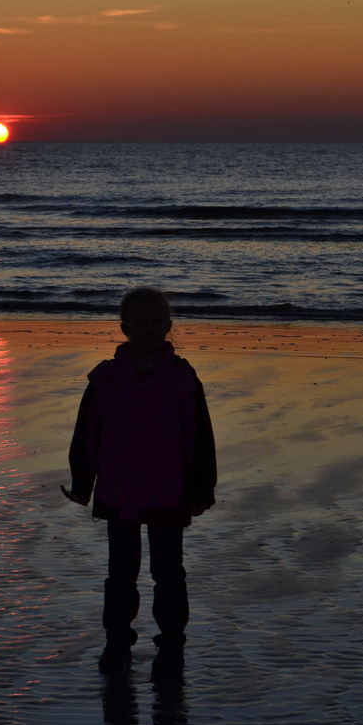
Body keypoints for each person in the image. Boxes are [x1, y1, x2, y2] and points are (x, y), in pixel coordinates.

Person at [62, 287, 216, 673]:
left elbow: (201, 437)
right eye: (139, 322)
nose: (148, 329)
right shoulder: (106, 378)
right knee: (121, 574)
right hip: (120, 491)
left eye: (155, 322)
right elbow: (86, 433)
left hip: (169, 492)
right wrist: (83, 482)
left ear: (168, 325)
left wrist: (202, 488)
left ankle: (172, 644)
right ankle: (117, 642)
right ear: (124, 327)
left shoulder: (182, 378)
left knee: (168, 573)